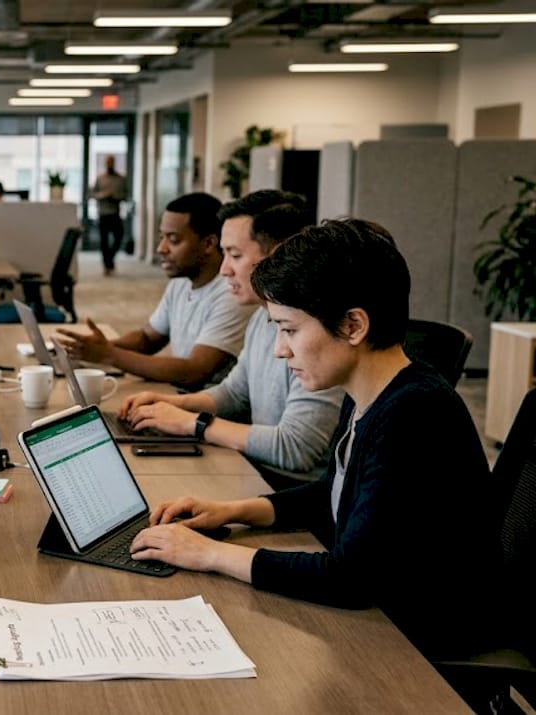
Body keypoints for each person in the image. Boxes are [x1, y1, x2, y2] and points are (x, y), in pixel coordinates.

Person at [128, 218, 499, 660]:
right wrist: (231, 511)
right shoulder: (369, 392)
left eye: (289, 329)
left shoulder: (413, 413)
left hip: (420, 638)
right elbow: (332, 496)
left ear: (353, 326)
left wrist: (209, 555)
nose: (279, 349)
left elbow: (348, 579)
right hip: (383, 612)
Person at [119, 191, 344, 488]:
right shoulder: (260, 317)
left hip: (293, 490)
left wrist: (192, 423)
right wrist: (172, 404)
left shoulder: (316, 331)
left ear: (279, 254)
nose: (224, 269)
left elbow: (296, 449)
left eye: (235, 255)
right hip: (254, 468)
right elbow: (235, 394)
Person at [55, 192, 255, 390]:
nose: (161, 248)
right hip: (182, 395)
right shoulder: (181, 282)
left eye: (173, 240)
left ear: (208, 244)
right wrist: (97, 347)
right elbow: (147, 338)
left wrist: (108, 355)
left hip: (205, 402)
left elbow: (194, 371)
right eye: (162, 237)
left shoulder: (233, 294)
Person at [91, 155, 128, 274]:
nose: (109, 164)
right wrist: (102, 195)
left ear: (114, 163)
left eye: (111, 162)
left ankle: (110, 259)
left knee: (119, 236)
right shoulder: (100, 179)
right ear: (105, 163)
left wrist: (115, 197)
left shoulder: (121, 179)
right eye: (108, 162)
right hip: (103, 213)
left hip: (115, 213)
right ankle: (107, 265)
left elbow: (125, 195)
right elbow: (93, 194)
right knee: (104, 241)